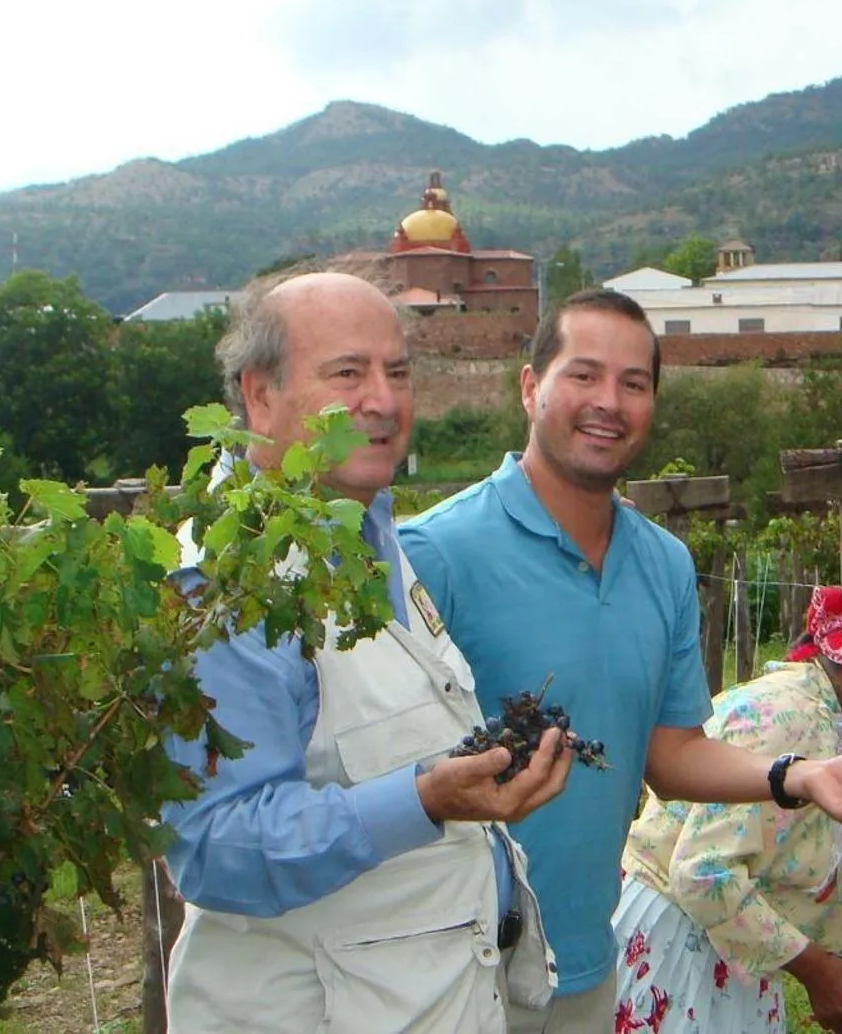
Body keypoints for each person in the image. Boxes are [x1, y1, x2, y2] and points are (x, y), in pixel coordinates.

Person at [399, 289, 842, 1032]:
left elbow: (670, 755)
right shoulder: (436, 554)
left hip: (585, 957)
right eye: (582, 375)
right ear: (528, 386)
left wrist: (797, 775)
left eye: (632, 383)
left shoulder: (663, 564)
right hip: (450, 965)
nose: (607, 401)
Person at [159, 271, 572, 1034]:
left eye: (398, 372)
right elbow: (213, 847)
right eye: (347, 373)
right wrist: (423, 800)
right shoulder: (223, 585)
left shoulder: (368, 528)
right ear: (258, 396)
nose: (382, 400)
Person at [612, 585, 842, 1034]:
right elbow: (703, 875)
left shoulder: (827, 724)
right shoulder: (793, 721)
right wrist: (816, 970)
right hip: (676, 948)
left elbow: (825, 886)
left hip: (725, 946)